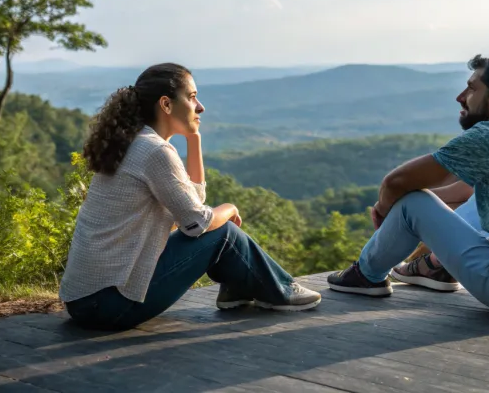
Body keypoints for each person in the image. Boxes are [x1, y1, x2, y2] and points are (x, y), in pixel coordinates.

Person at [327, 55, 489, 321]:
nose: (460, 96)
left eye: (472, 88)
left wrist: (387, 210)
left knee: (412, 204)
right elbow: (465, 192)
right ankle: (438, 268)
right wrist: (415, 211)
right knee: (473, 198)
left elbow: (395, 182)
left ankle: (365, 276)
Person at [59, 63, 321, 330]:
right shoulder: (154, 151)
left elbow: (194, 204)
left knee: (217, 231)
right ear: (166, 104)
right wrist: (229, 208)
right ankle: (281, 289)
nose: (200, 107)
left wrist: (193, 139)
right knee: (225, 233)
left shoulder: (136, 143)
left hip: (83, 302)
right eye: (192, 96)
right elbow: (197, 223)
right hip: (109, 305)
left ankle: (240, 289)